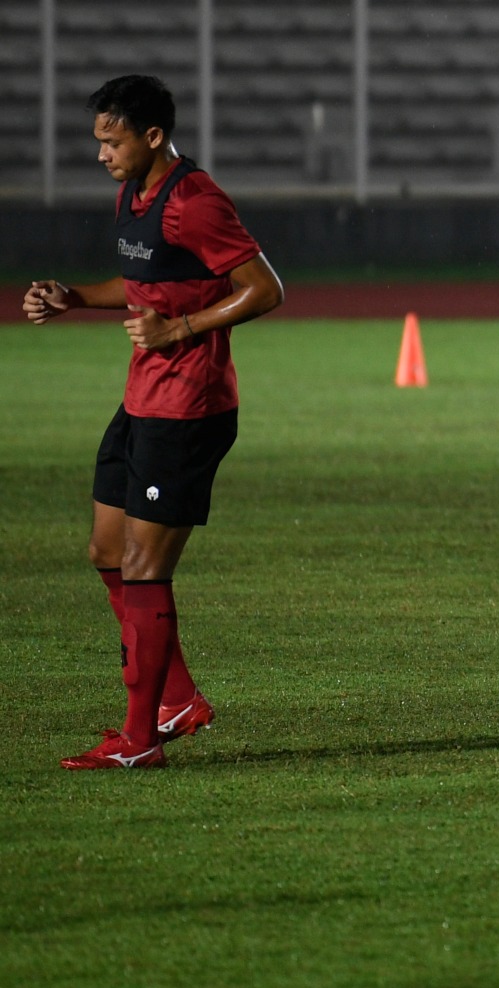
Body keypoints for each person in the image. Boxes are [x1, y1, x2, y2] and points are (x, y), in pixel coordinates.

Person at [23, 74, 283, 769]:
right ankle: (179, 700)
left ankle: (141, 742)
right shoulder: (134, 193)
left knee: (142, 565)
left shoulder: (194, 203)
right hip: (141, 402)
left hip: (189, 410)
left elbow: (265, 288)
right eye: (99, 141)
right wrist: (75, 296)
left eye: (113, 141)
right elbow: (142, 287)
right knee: (107, 551)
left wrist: (183, 330)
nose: (103, 154)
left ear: (153, 137)